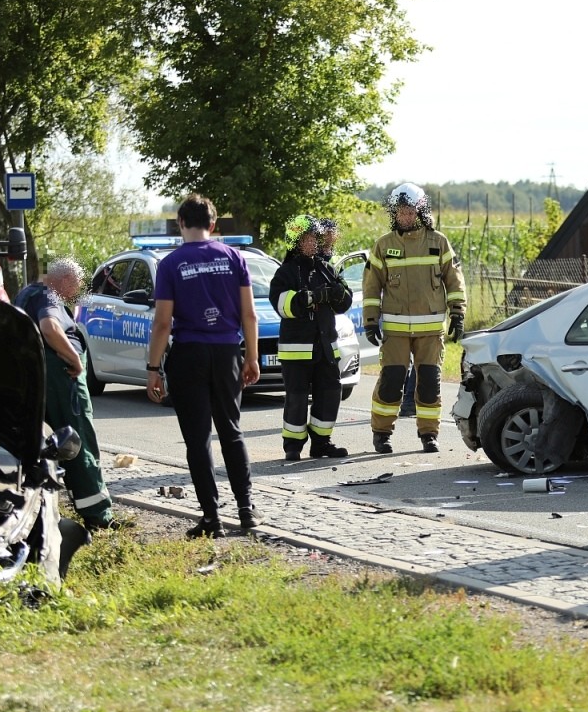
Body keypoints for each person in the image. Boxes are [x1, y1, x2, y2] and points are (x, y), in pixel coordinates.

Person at [146, 194, 262, 538]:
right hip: (227, 352)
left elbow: (163, 323)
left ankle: (211, 518)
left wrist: (154, 368)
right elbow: (249, 314)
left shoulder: (170, 264)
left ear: (181, 223)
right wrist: (251, 357)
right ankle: (246, 510)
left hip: (189, 354)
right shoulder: (234, 258)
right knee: (231, 431)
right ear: (213, 225)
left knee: (198, 440)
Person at [14, 258, 114, 543]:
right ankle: (99, 515)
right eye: (77, 285)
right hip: (62, 378)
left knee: (46, 447)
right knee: (78, 441)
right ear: (65, 280)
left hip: (35, 377)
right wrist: (75, 360)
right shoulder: (49, 296)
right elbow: (49, 327)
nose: (76, 293)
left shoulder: (25, 293)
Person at [362, 182, 466, 454]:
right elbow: (372, 287)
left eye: (410, 212)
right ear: (394, 214)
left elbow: (454, 280)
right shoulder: (383, 245)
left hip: (431, 330)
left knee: (430, 384)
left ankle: (429, 435)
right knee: (391, 382)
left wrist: (458, 313)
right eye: (400, 212)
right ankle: (381, 433)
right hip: (395, 331)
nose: (405, 217)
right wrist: (371, 321)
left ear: (421, 212)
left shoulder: (438, 242)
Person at [270, 215, 354, 460]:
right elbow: (282, 305)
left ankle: (321, 443)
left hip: (326, 348)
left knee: (329, 395)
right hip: (296, 350)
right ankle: (293, 446)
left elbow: (344, 302)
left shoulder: (326, 269)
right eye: (308, 239)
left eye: (316, 239)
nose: (314, 243)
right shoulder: (284, 273)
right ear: (296, 241)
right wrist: (310, 298)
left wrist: (339, 294)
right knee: (296, 399)